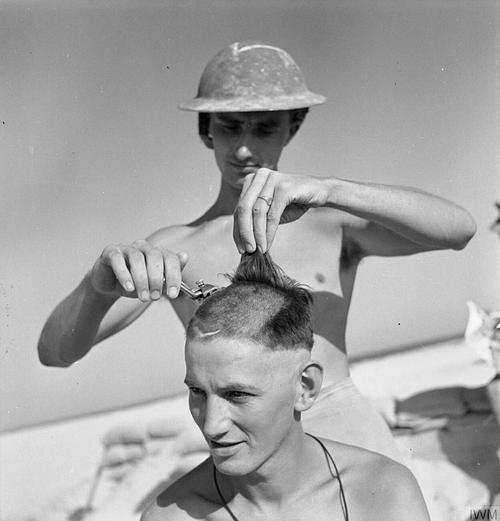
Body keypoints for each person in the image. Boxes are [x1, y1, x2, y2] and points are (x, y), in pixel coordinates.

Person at [38, 41, 476, 461]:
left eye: (265, 127)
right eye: (230, 126)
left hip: (347, 432)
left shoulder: (330, 222)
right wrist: (97, 287)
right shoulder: (174, 249)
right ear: (206, 130)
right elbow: (55, 353)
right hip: (249, 454)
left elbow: (459, 229)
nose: (246, 147)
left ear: (293, 127)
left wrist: (332, 190)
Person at [140, 252, 430, 521]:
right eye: (197, 391)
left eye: (237, 394)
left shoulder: (382, 493)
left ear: (305, 387)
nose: (212, 426)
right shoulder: (171, 516)